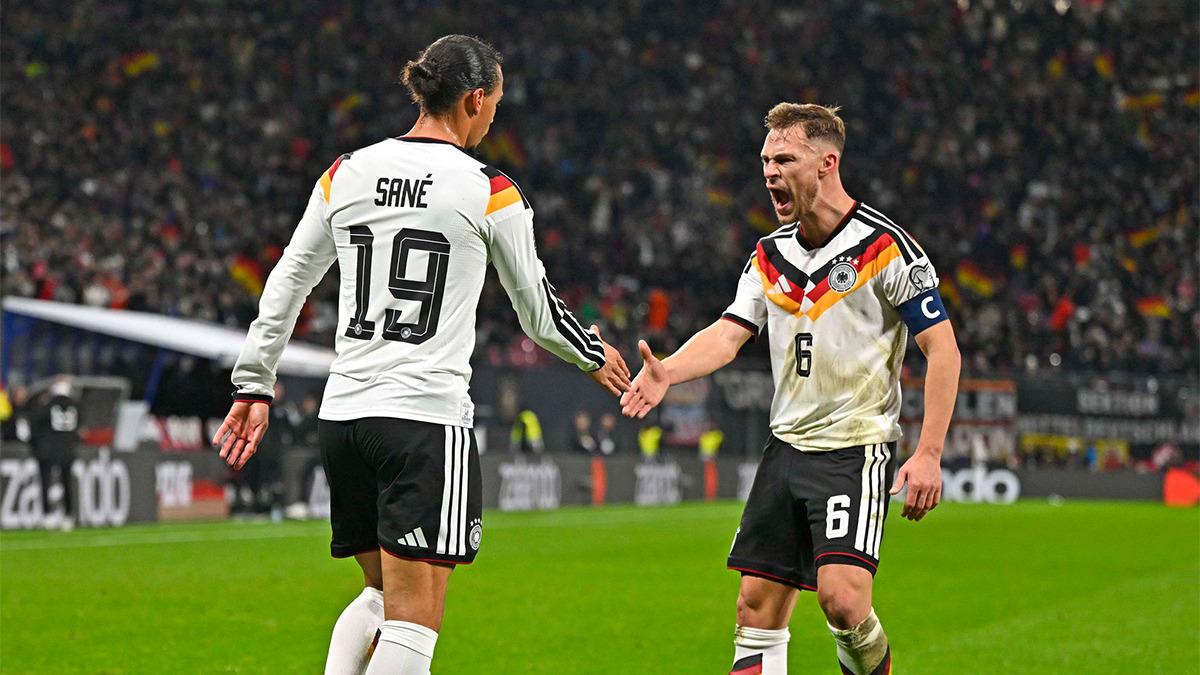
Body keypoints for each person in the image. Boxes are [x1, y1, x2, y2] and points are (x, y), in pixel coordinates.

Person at [212, 35, 630, 675]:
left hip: (345, 417)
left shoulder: (345, 172)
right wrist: (594, 353)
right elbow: (538, 312)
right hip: (423, 421)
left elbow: (289, 279)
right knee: (414, 618)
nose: (493, 121)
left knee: (380, 594)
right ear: (475, 99)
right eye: (495, 106)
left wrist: (253, 383)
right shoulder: (489, 189)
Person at [621, 103, 960, 675]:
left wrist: (928, 453)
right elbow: (729, 333)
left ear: (827, 163)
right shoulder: (769, 254)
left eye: (784, 160)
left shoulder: (885, 247)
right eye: (765, 161)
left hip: (854, 448)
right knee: (754, 608)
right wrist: (668, 370)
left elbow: (943, 349)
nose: (769, 173)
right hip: (785, 449)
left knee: (842, 600)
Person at [28, 378, 80, 531]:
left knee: (45, 482)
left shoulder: (48, 405)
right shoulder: (75, 405)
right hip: (68, 448)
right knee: (67, 482)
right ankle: (69, 515)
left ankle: (47, 515)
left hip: (48, 448)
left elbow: (35, 421)